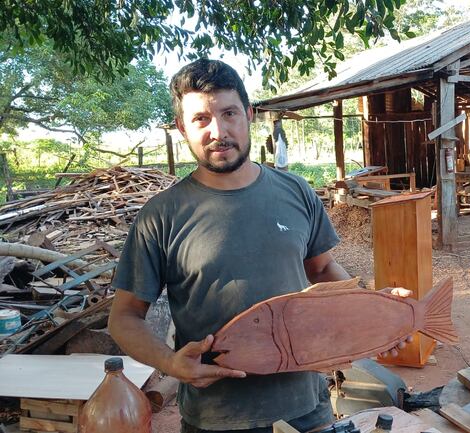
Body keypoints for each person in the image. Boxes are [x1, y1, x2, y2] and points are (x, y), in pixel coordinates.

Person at [108, 59, 409, 433]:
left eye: (229, 113)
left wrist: (372, 308)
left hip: (307, 408)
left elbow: (323, 270)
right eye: (201, 119)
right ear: (183, 127)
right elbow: (123, 317)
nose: (219, 131)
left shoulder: (295, 191)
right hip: (217, 420)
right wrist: (171, 364)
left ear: (249, 115)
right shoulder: (161, 216)